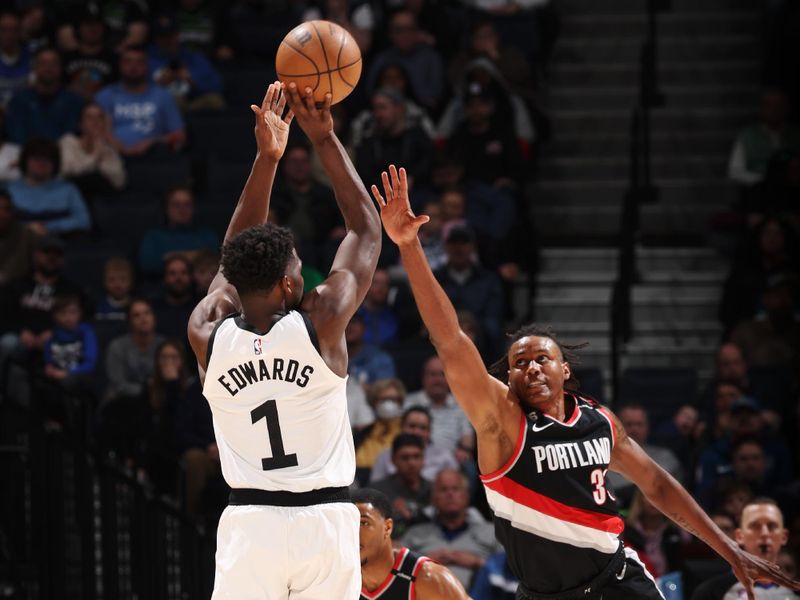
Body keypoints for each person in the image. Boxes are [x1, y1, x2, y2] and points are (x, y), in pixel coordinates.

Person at [370, 165, 800, 599]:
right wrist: (409, 247)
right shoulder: (502, 421)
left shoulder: (599, 422)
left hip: (618, 582)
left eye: (543, 358)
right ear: (510, 377)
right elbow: (449, 340)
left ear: (565, 370)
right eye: (520, 363)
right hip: (545, 593)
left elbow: (657, 485)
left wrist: (726, 547)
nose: (532, 367)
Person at [186, 82, 381, 599]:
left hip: (249, 522)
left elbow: (233, 256)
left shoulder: (206, 332)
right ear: (291, 286)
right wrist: (325, 139)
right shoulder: (319, 323)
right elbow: (364, 231)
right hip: (325, 520)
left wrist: (267, 158)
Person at [354, 487, 470, 600]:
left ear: (387, 528)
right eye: (349, 524)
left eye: (363, 523)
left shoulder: (430, 579)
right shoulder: (340, 579)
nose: (353, 531)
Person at [402, 469, 500, 589]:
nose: (450, 494)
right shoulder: (415, 534)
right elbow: (395, 573)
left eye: (455, 489)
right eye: (443, 489)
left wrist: (477, 562)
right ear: (433, 498)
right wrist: (423, 563)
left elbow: (509, 573)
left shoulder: (491, 532)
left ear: (466, 496)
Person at [691, 498, 795, 599]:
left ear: (784, 536)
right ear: (739, 536)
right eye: (755, 526)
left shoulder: (795, 593)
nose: (764, 533)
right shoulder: (710, 592)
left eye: (772, 526)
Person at [95, 45, 186, 158]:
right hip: (111, 157)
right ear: (119, 65)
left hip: (153, 158)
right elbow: (96, 132)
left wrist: (153, 141)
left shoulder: (163, 96)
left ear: (147, 66)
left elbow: (180, 136)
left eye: (139, 62)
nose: (133, 66)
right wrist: (118, 146)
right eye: (128, 61)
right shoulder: (105, 95)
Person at [7, 137, 92, 235]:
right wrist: (27, 228)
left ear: (55, 164)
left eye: (47, 159)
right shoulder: (10, 190)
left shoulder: (68, 190)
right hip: (19, 243)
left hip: (62, 242)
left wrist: (49, 227)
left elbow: (83, 221)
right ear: (25, 161)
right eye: (36, 159)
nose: (42, 164)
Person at [5, 47, 84, 144]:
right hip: (24, 154)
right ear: (34, 67)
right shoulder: (19, 100)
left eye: (53, 64)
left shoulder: (74, 101)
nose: (48, 68)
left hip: (65, 155)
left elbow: (72, 135)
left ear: (61, 68)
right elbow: (16, 135)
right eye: (43, 63)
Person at [138, 185, 219, 277]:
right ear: (166, 208)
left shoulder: (207, 236)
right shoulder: (153, 237)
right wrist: (195, 255)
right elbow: (148, 265)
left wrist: (170, 256)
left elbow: (214, 262)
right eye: (176, 205)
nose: (182, 209)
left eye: (187, 205)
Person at [370, 406, 459, 483]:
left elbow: (456, 487)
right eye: (412, 426)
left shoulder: (444, 457)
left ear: (429, 432)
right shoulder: (385, 456)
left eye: (423, 428)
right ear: (401, 428)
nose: (417, 432)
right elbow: (376, 489)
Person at [371, 433, 431, 538]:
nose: (411, 463)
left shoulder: (435, 490)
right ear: (393, 460)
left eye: (416, 456)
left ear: (424, 459)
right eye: (405, 457)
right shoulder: (377, 492)